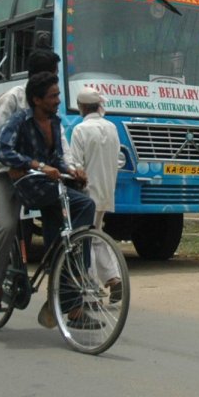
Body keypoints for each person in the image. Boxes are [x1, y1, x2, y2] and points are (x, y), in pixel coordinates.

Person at [0, 72, 95, 327]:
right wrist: (37, 165)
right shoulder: (18, 118)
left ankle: (69, 274)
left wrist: (72, 170)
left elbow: (58, 157)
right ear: (37, 99)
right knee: (7, 226)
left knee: (83, 206)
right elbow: (2, 150)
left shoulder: (54, 122)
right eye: (53, 96)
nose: (59, 100)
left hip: (42, 183)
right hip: (16, 180)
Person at [0, 51, 64, 317]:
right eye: (54, 75)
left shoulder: (52, 109)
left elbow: (62, 145)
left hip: (35, 175)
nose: (57, 94)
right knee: (6, 226)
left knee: (64, 218)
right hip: (5, 173)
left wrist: (72, 168)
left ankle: (62, 291)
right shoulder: (13, 100)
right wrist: (15, 166)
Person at [66, 86, 123, 300]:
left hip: (87, 192)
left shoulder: (80, 130)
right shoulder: (111, 127)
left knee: (85, 238)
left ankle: (90, 283)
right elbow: (118, 159)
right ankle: (113, 279)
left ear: (81, 107)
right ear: (98, 106)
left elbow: (76, 164)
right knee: (97, 234)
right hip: (107, 190)